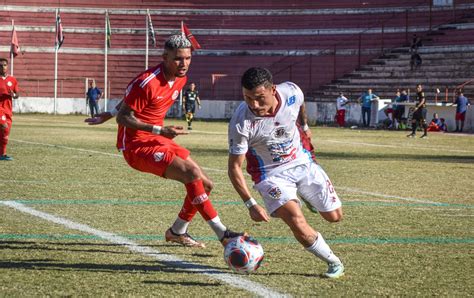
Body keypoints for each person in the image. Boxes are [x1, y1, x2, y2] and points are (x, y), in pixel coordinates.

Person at [86, 35, 244, 248]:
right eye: (178, 59)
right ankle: (223, 234)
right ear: (165, 57)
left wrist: (109, 112)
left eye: (188, 58)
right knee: (192, 174)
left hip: (158, 139)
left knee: (206, 185)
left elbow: (128, 100)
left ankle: (177, 231)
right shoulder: (148, 82)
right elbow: (125, 117)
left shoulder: (182, 78)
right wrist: (157, 129)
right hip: (136, 146)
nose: (184, 64)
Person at [228, 67, 345, 279]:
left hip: (301, 161)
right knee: (296, 219)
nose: (253, 105)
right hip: (270, 176)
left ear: (273, 90)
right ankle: (333, 262)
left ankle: (306, 196)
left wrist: (305, 125)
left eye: (259, 98)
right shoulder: (241, 122)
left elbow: (300, 103)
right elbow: (234, 167)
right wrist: (250, 203)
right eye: (247, 98)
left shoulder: (291, 91)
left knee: (334, 217)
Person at [0, 58, 19, 161]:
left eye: (4, 65)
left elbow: (17, 94)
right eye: (0, 65)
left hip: (8, 109)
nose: (2, 67)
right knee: (4, 126)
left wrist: (14, 95)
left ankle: (2, 154)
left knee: (5, 133)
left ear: (7, 66)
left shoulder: (12, 80)